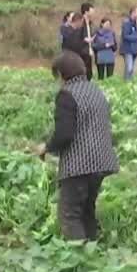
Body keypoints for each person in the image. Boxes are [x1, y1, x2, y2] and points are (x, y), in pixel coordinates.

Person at [36, 52, 118, 241]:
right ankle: (92, 252)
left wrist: (46, 148)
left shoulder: (67, 94)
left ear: (62, 75)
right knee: (87, 211)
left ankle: (79, 259)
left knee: (70, 214)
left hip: (80, 164)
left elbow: (64, 133)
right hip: (102, 161)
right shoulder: (96, 90)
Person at [61, 11, 94, 80]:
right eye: (82, 22)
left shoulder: (76, 31)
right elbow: (74, 45)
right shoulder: (67, 30)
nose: (82, 24)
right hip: (71, 58)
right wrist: (84, 42)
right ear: (78, 21)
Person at [120, 7, 137, 81]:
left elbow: (136, 35)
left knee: (132, 69)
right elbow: (125, 36)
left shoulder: (136, 24)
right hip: (127, 49)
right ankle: (127, 83)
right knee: (129, 68)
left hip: (134, 49)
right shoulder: (127, 23)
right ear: (133, 13)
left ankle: (129, 83)